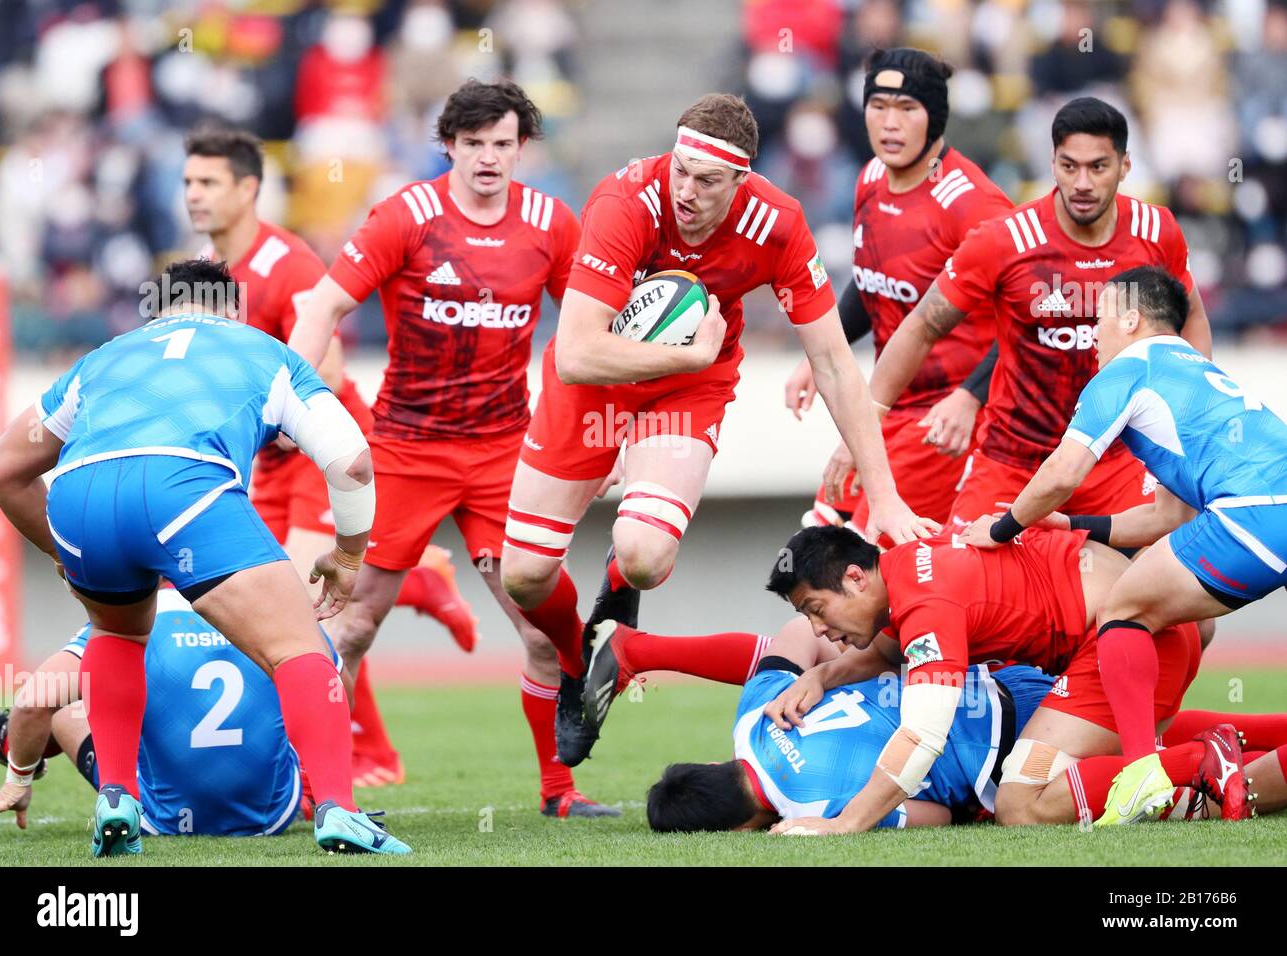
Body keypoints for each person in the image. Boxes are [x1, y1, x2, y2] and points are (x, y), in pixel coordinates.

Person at [494, 92, 938, 768]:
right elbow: (580, 351)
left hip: (687, 390)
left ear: (742, 181)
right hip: (592, 388)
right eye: (680, 171)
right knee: (524, 577)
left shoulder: (778, 223)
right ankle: (579, 656)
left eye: (706, 181)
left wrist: (885, 496)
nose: (686, 191)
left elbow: (834, 365)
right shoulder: (625, 201)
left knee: (644, 552)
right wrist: (691, 352)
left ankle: (619, 586)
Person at [0, 258, 408, 856]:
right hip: (185, 488)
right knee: (299, 648)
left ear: (154, 313)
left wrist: (67, 549)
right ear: (232, 309)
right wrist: (346, 555)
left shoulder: (107, 356)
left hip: (80, 495)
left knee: (117, 635)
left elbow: (4, 470)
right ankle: (339, 808)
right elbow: (353, 461)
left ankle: (116, 796)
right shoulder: (261, 349)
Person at [286, 79, 616, 818]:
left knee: (537, 626)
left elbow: (589, 331)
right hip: (404, 450)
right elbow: (325, 306)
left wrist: (606, 426)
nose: (489, 158)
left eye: (503, 144)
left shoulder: (551, 223)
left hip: (505, 454)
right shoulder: (406, 215)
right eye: (474, 144)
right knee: (353, 623)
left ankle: (558, 791)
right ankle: (316, 792)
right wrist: (297, 402)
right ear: (449, 146)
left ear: (522, 148)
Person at [183, 124, 459, 788]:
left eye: (208, 182)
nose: (193, 195)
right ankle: (414, 580)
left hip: (316, 448)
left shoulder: (290, 264)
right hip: (268, 458)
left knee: (301, 620)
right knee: (258, 611)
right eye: (188, 182)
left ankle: (322, 778)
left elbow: (328, 372)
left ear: (249, 188)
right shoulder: (205, 267)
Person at [961, 264, 1287, 823]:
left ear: (1129, 318)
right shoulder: (1188, 371)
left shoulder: (1126, 369)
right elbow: (1167, 514)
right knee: (1139, 605)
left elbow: (1062, 470)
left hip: (1253, 515)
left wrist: (1000, 528)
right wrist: (1072, 525)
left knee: (1125, 610)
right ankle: (1198, 766)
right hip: (1265, 510)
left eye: (1101, 321)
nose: (1092, 339)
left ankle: (1142, 771)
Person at [867, 97, 1213, 526]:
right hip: (1015, 459)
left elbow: (1192, 316)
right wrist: (866, 427)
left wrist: (1192, 419)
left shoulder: (1156, 230)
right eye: (1069, 166)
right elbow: (921, 326)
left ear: (1125, 166)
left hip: (1118, 457)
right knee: (956, 580)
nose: (1082, 182)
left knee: (1151, 578)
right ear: (1052, 164)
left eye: (1098, 167)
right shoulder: (1005, 239)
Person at [746, 525, 1213, 833]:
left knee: (1021, 805)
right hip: (1144, 629)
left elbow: (923, 737)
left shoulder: (927, 605)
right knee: (1063, 767)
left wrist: (843, 824)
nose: (818, 630)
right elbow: (888, 651)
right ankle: (1215, 759)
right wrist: (823, 674)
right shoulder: (907, 565)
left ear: (854, 578)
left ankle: (1199, 764)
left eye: (816, 610)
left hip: (1132, 643)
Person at [785, 48, 1011, 540]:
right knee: (821, 550)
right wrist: (820, 352)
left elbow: (1036, 316)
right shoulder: (870, 179)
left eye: (907, 108)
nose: (890, 122)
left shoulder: (973, 205)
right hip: (885, 410)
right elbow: (871, 285)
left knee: (859, 569)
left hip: (942, 423)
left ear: (935, 118)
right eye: (878, 105)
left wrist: (970, 398)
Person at [0, 589, 342, 836]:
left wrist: (19, 779)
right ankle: (321, 799)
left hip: (159, 817)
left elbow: (34, 703)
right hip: (273, 814)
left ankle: (11, 743)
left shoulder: (127, 622)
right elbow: (336, 687)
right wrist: (313, 784)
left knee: (76, 700)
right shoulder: (275, 605)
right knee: (297, 683)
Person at [645, 620, 1054, 832]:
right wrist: (819, 675)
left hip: (1019, 751)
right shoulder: (752, 718)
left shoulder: (815, 809)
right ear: (714, 766)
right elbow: (801, 629)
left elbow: (937, 817)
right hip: (993, 675)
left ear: (736, 829)